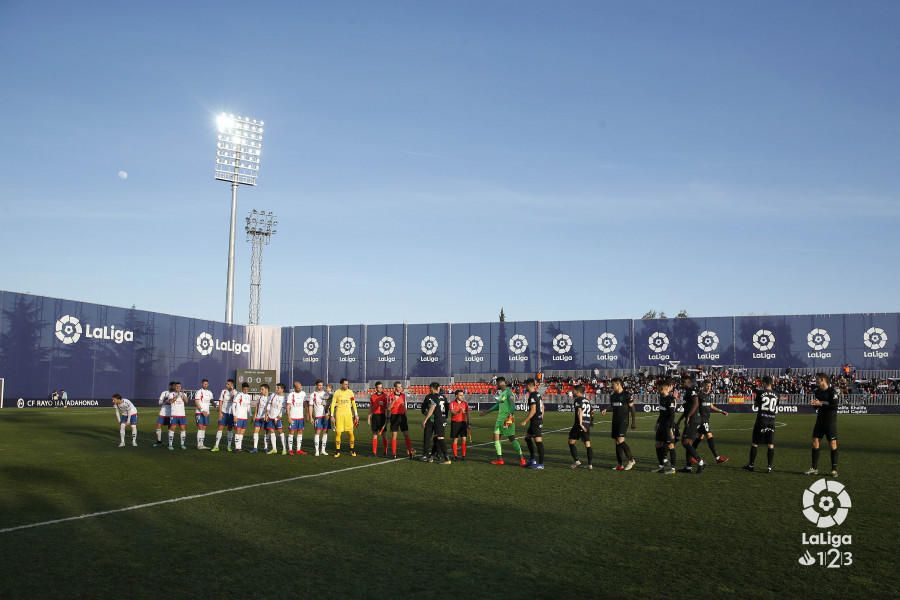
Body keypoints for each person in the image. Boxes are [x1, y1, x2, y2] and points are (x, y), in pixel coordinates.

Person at [479, 377, 526, 467]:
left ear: (500, 383)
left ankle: (522, 458)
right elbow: (498, 405)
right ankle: (500, 459)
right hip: (499, 420)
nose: (496, 385)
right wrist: (487, 412)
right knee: (496, 438)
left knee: (512, 438)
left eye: (497, 384)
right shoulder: (502, 393)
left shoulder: (508, 392)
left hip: (507, 419)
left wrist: (510, 416)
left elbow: (512, 405)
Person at [806, 373, 840, 477]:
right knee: (815, 441)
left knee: (833, 444)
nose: (816, 381)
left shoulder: (832, 391)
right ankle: (814, 468)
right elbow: (818, 407)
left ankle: (834, 470)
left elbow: (834, 406)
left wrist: (820, 403)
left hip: (830, 422)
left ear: (823, 380)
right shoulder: (817, 392)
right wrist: (815, 405)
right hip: (820, 421)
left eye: (817, 380)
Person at [601, 377, 636, 471]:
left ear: (618, 384)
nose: (611, 386)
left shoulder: (627, 395)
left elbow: (632, 408)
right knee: (617, 442)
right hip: (615, 420)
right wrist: (606, 409)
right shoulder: (613, 396)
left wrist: (633, 422)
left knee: (620, 440)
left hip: (623, 421)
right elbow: (613, 406)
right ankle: (620, 464)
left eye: (613, 385)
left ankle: (631, 460)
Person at [744, 376, 778, 473]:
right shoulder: (777, 394)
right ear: (771, 383)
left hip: (761, 420)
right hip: (771, 421)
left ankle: (751, 465)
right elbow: (775, 406)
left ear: (764, 383)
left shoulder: (760, 392)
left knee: (755, 443)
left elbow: (755, 405)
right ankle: (769, 467)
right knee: (770, 444)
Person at [693, 379, 729, 464]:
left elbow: (711, 406)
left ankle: (691, 455)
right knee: (709, 436)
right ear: (703, 385)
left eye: (710, 386)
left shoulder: (708, 395)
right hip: (702, 420)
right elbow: (695, 407)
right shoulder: (699, 395)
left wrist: (721, 411)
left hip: (706, 419)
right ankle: (717, 457)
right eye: (707, 386)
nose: (709, 388)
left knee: (699, 438)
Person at [676, 375, 705, 473]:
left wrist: (688, 417)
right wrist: (680, 420)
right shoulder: (687, 392)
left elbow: (696, 404)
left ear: (687, 382)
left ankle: (700, 461)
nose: (681, 384)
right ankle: (688, 467)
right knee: (689, 443)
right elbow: (687, 409)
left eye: (683, 382)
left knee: (685, 442)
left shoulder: (692, 390)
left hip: (693, 420)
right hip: (692, 419)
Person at [421, 382, 451, 464]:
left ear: (433, 388)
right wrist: (445, 418)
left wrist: (426, 419)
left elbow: (432, 408)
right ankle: (430, 455)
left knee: (439, 438)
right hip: (440, 420)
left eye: (430, 388)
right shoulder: (443, 397)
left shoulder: (433, 397)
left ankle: (445, 457)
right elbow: (447, 408)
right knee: (435, 438)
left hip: (436, 419)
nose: (430, 389)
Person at [329, 378, 359, 457]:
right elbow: (332, 404)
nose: (346, 385)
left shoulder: (350, 392)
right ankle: (337, 451)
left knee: (350, 433)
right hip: (339, 415)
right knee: (338, 433)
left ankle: (352, 450)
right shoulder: (337, 392)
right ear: (341, 384)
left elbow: (353, 403)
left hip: (348, 415)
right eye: (345, 384)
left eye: (347, 384)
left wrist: (356, 414)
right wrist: (332, 415)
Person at [654, 378, 678, 475]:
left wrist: (671, 428)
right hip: (661, 426)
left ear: (667, 388)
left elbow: (672, 415)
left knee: (670, 445)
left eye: (661, 389)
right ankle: (661, 467)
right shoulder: (661, 398)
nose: (660, 390)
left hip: (668, 426)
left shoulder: (670, 399)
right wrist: (657, 423)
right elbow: (661, 413)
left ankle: (673, 468)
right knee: (658, 444)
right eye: (659, 389)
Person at [520, 378, 545, 469]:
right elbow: (543, 407)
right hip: (536, 421)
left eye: (525, 385)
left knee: (538, 442)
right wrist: (541, 417)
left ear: (528, 385)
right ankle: (532, 459)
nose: (525, 387)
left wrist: (525, 421)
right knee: (527, 438)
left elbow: (533, 410)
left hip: (535, 421)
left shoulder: (532, 396)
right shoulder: (538, 394)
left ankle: (541, 464)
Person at [567, 384, 594, 470]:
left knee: (571, 442)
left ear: (578, 392)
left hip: (579, 425)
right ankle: (590, 465)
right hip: (587, 424)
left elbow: (580, 411)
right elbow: (592, 412)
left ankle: (577, 461)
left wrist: (581, 423)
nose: (573, 392)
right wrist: (590, 421)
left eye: (574, 390)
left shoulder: (578, 400)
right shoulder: (587, 400)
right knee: (588, 444)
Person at [387, 381, 415, 459]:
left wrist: (405, 415)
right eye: (398, 387)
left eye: (400, 387)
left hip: (402, 417)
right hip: (394, 416)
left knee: (406, 434)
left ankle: (410, 451)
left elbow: (405, 407)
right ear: (395, 388)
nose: (399, 388)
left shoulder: (403, 395)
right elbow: (389, 408)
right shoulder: (391, 396)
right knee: (394, 436)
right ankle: (394, 453)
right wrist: (394, 400)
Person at [212, 379, 236, 452]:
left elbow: (234, 400)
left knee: (230, 429)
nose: (226, 385)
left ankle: (229, 446)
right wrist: (220, 413)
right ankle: (216, 446)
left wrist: (232, 391)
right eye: (226, 384)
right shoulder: (223, 391)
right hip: (224, 412)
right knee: (220, 428)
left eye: (228, 384)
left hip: (231, 414)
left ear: (232, 385)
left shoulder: (236, 392)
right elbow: (220, 402)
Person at [265, 383, 287, 455]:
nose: (276, 389)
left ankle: (284, 449)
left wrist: (278, 417)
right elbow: (269, 404)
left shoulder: (284, 398)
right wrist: (267, 414)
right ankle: (274, 449)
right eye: (276, 387)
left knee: (280, 432)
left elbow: (283, 409)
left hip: (277, 418)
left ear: (282, 389)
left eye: (278, 388)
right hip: (270, 417)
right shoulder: (272, 395)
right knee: (272, 431)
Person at [286, 381, 308, 456]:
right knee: (291, 432)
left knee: (300, 432)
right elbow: (288, 406)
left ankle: (298, 450)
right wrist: (289, 417)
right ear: (294, 387)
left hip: (301, 417)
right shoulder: (291, 395)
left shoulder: (303, 394)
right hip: (293, 417)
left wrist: (307, 414)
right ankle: (290, 450)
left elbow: (305, 404)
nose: (300, 388)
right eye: (298, 387)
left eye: (300, 387)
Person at [309, 380, 330, 456]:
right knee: (317, 432)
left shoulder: (326, 394)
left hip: (326, 416)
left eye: (321, 385)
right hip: (318, 416)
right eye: (319, 385)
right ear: (316, 385)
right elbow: (310, 406)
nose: (320, 386)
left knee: (325, 432)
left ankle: (323, 450)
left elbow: (330, 405)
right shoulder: (313, 395)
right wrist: (311, 417)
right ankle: (317, 450)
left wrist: (329, 414)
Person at [368, 381, 389, 456]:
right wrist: (369, 416)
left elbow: (388, 407)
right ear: (376, 388)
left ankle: (385, 450)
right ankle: (374, 452)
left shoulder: (385, 396)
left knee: (384, 434)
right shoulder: (372, 396)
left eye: (381, 387)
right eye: (379, 387)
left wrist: (383, 405)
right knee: (374, 434)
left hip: (382, 416)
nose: (380, 388)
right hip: (375, 416)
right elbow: (371, 407)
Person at [450, 390, 471, 461]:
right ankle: (455, 456)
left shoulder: (465, 403)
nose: (462, 396)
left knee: (464, 439)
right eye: (460, 395)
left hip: (463, 423)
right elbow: (452, 412)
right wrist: (458, 411)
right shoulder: (452, 403)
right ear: (456, 396)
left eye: (463, 395)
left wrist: (468, 423)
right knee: (455, 439)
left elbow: (467, 414)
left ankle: (463, 455)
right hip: (455, 423)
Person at [231, 382, 252, 451]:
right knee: (238, 431)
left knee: (242, 432)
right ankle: (237, 447)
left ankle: (239, 447)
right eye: (244, 389)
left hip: (245, 417)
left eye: (247, 389)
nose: (246, 390)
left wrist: (251, 415)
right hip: (238, 416)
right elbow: (233, 405)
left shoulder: (248, 396)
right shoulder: (238, 395)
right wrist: (234, 415)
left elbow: (249, 407)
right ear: (242, 389)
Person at [250, 384, 271, 454]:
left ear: (266, 389)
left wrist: (267, 415)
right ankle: (255, 448)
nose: (260, 391)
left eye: (262, 389)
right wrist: (255, 415)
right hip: (258, 417)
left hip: (266, 418)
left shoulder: (270, 398)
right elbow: (257, 406)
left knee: (266, 432)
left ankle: (266, 448)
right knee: (256, 432)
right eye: (260, 389)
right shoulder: (260, 397)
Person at [168, 382, 188, 451]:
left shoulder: (183, 394)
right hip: (174, 414)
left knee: (183, 429)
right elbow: (170, 402)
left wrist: (183, 395)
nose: (178, 388)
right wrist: (177, 395)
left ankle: (182, 444)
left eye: (179, 387)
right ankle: (170, 444)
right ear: (175, 387)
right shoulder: (171, 394)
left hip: (182, 415)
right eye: (177, 387)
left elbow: (186, 401)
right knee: (172, 428)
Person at [194, 378, 213, 450]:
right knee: (200, 427)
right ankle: (199, 445)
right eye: (204, 384)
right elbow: (196, 402)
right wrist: (202, 410)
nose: (205, 385)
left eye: (206, 384)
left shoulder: (210, 392)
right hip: (199, 413)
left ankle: (202, 444)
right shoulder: (199, 392)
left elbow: (211, 400)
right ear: (202, 384)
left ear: (208, 384)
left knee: (204, 428)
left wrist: (214, 405)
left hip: (207, 413)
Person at [154, 382, 175, 447]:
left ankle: (170, 443)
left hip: (172, 413)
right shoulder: (164, 393)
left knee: (170, 428)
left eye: (174, 386)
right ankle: (159, 441)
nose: (173, 387)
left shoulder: (176, 394)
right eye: (172, 386)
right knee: (158, 426)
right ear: (169, 386)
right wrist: (165, 401)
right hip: (163, 412)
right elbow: (159, 402)